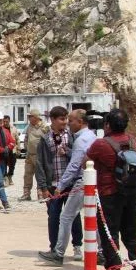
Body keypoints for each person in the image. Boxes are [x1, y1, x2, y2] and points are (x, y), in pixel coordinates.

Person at [85, 108, 136, 270]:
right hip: (130, 191)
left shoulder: (101, 144)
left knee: (109, 231)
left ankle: (113, 267)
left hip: (109, 193)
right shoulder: (132, 140)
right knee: (131, 230)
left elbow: (85, 163)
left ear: (107, 125)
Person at [40, 110, 94, 265]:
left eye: (70, 120)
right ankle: (101, 252)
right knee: (91, 217)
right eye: (64, 120)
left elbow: (74, 165)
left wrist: (61, 185)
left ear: (80, 121)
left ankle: (58, 253)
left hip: (79, 182)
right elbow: (40, 162)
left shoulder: (79, 139)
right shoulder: (90, 136)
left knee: (66, 216)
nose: (68, 123)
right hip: (87, 181)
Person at [35, 106, 81, 256]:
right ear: (53, 120)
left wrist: (66, 151)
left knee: (74, 216)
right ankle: (54, 247)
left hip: (70, 184)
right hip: (53, 185)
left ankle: (77, 247)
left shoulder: (72, 136)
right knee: (54, 217)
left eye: (66, 119)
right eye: (61, 119)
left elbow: (78, 157)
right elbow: (40, 163)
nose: (65, 122)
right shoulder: (45, 138)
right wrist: (43, 187)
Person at [20, 108, 49, 201]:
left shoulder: (44, 127)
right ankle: (26, 194)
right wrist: (26, 147)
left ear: (36, 117)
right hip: (29, 155)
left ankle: (40, 194)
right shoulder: (29, 127)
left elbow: (48, 140)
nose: (28, 118)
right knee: (27, 174)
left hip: (39, 155)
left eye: (30, 116)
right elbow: (27, 138)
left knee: (39, 175)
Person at [3, 115, 20, 186]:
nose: (5, 123)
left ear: (9, 121)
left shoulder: (13, 128)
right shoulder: (1, 129)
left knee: (12, 164)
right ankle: (5, 178)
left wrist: (18, 149)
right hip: (5, 149)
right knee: (4, 164)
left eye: (6, 121)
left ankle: (10, 176)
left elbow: (17, 139)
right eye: (4, 121)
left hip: (13, 149)